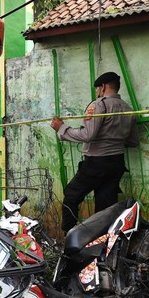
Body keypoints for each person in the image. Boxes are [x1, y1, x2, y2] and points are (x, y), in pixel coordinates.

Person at [50, 72, 139, 234]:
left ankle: (69, 236)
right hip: (117, 163)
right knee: (105, 208)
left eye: (98, 88)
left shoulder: (99, 105)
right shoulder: (128, 109)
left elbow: (87, 135)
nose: (97, 92)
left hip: (96, 164)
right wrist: (113, 139)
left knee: (71, 195)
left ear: (103, 87)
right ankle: (103, 242)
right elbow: (133, 141)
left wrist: (62, 129)